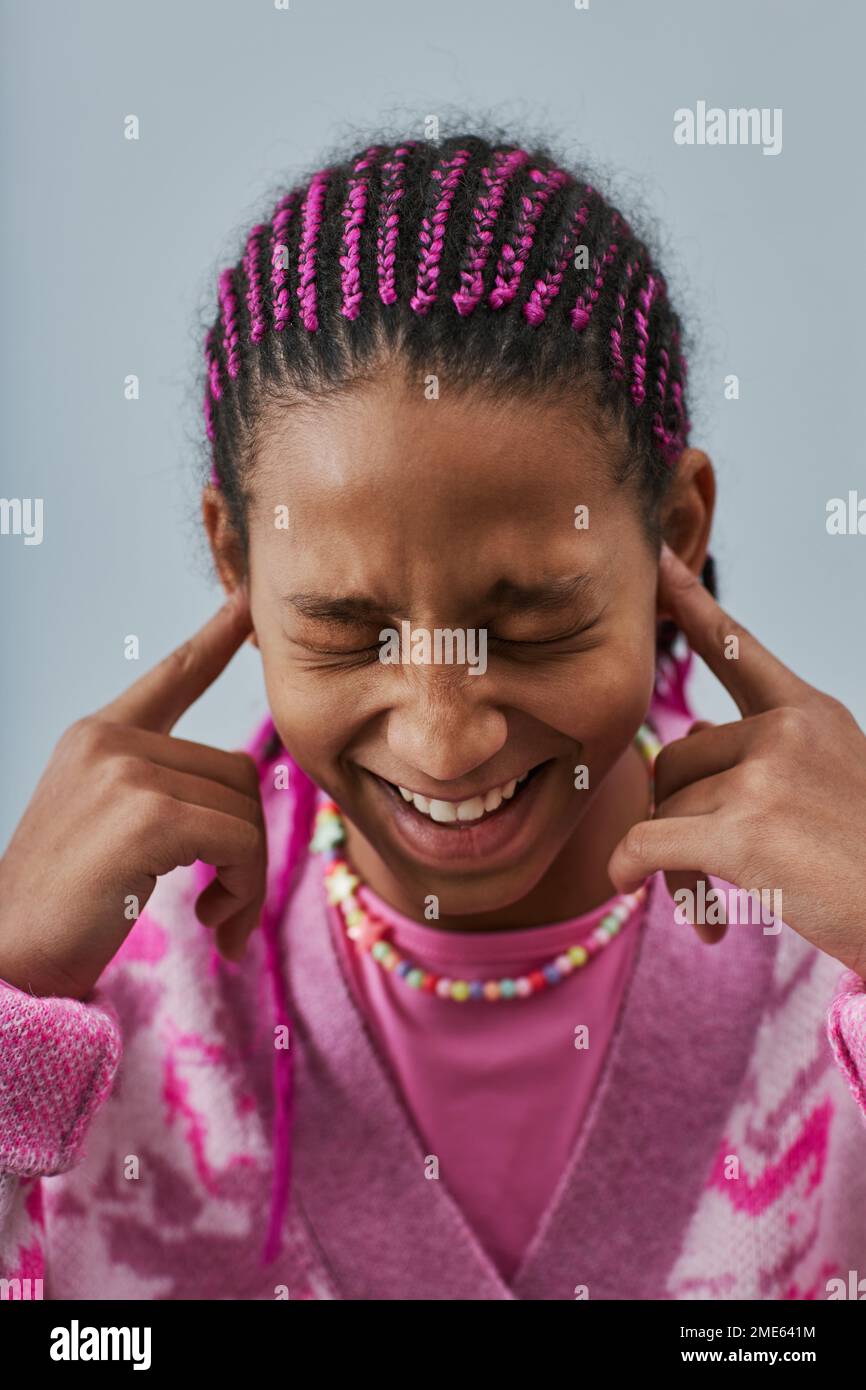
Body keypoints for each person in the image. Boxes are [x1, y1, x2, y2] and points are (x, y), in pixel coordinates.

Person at [2, 130, 865, 1301]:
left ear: (673, 530)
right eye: (346, 629)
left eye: (532, 622)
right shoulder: (95, 979)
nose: (441, 736)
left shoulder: (830, 947)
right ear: (233, 558)